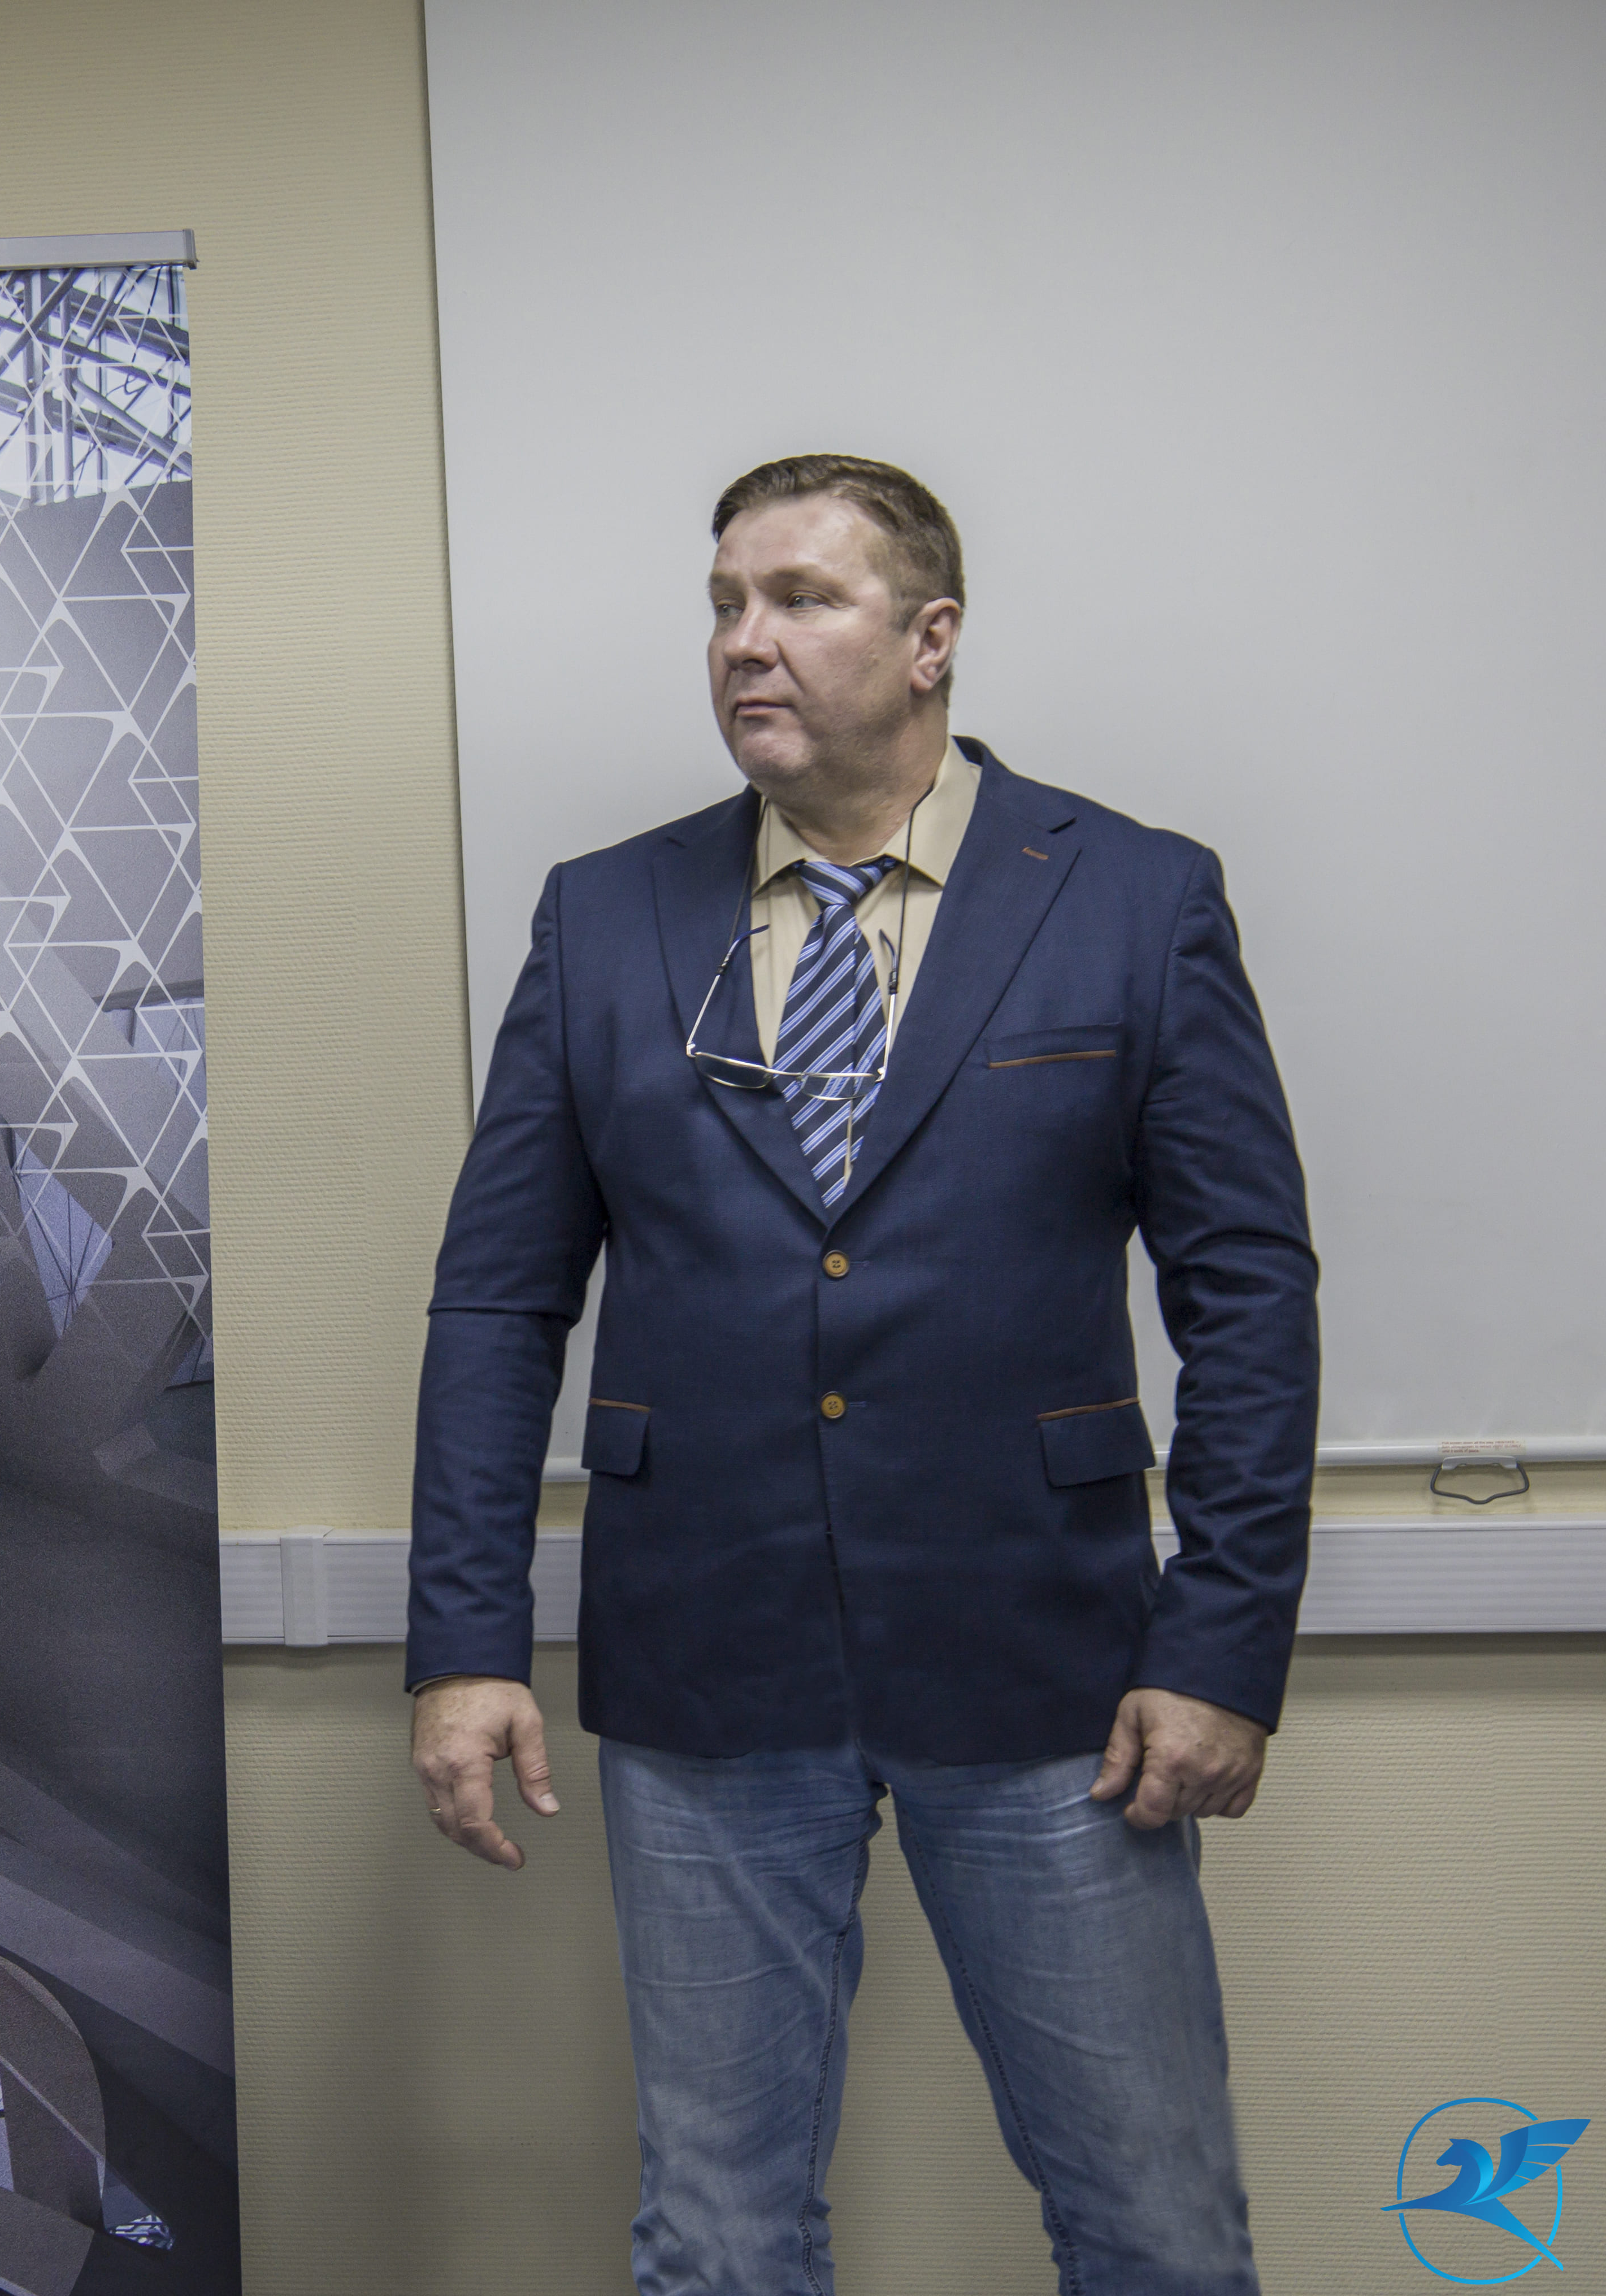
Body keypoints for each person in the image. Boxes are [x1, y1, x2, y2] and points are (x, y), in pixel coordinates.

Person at [405, 454, 1317, 2294]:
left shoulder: (1131, 897)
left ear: (930, 639)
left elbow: (1249, 1293)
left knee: (1154, 2224)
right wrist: (466, 1642)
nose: (745, 643)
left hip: (1051, 1670)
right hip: (707, 1655)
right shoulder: (607, 916)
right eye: (724, 606)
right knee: (718, 2233)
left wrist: (1221, 1645)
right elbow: (500, 1302)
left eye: (801, 600)